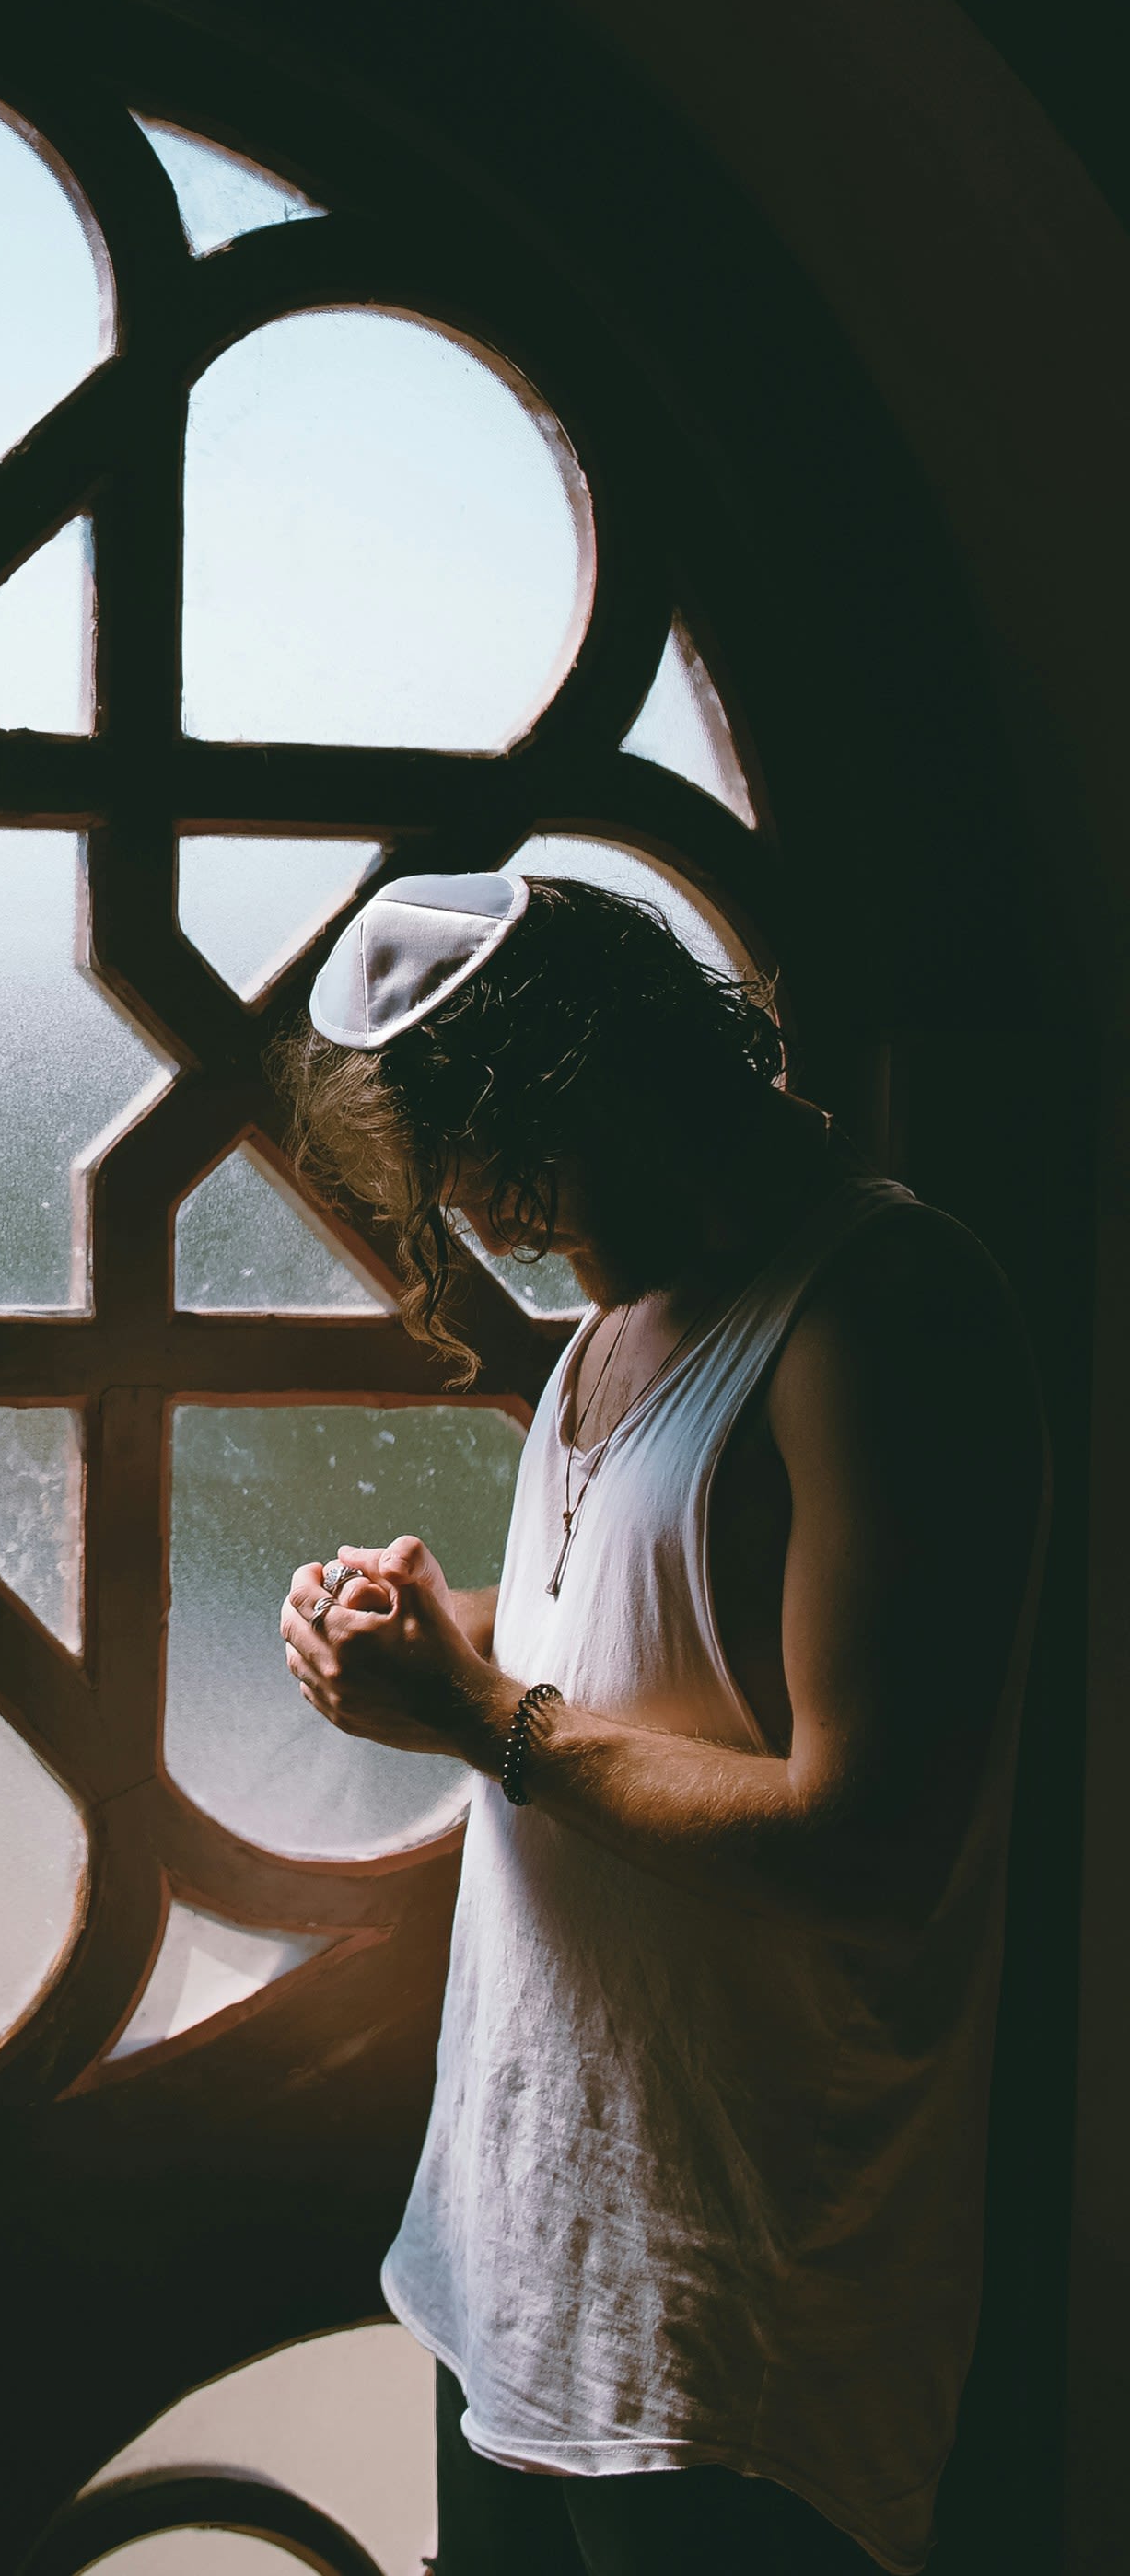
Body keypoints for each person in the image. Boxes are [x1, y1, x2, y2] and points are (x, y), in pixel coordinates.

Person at [273, 871, 1045, 2576]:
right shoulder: (620, 1322)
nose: (531, 1242)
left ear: (615, 1079)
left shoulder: (884, 1310)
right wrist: (425, 1635)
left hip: (739, 2325)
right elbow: (645, 1652)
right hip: (528, 2261)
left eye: (535, 1190)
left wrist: (483, 1716)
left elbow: (873, 1837)